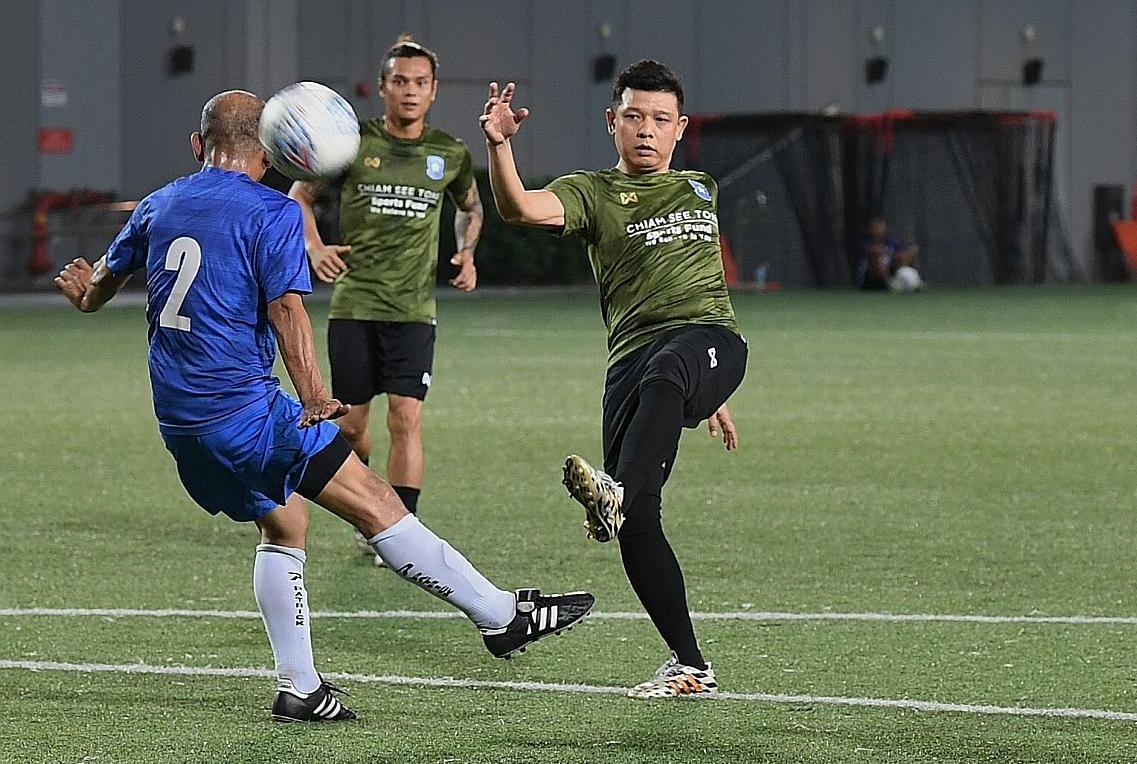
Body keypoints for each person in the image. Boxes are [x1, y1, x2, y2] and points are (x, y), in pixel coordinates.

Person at [55, 90, 592, 723]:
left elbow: (94, 294)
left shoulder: (158, 204)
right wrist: (314, 394)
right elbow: (287, 311)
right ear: (276, 151)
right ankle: (500, 617)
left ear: (198, 147)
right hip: (247, 416)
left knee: (285, 526)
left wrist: (82, 288)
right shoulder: (271, 211)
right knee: (378, 504)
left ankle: (300, 687)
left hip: (180, 421)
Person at [480, 60, 747, 699]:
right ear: (612, 122)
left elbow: (708, 293)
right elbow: (519, 208)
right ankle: (690, 665)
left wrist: (710, 388)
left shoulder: (700, 187)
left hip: (703, 346)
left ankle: (613, 492)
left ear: (680, 128)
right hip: (635, 370)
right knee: (638, 518)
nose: (647, 130)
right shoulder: (593, 192)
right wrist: (500, 146)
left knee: (667, 369)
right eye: (634, 117)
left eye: (660, 119)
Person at [288, 35, 481, 553]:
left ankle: (399, 533)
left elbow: (471, 207)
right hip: (355, 305)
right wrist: (314, 247)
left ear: (434, 90)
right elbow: (299, 198)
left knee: (406, 415)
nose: (410, 91)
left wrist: (467, 250)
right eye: (400, 82)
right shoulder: (352, 144)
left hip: (414, 310)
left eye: (420, 83)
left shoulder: (450, 152)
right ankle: (369, 500)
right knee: (351, 428)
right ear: (382, 88)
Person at [856, 216, 922, 291]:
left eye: (881, 227)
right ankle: (891, 285)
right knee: (878, 262)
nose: (879, 230)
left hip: (890, 268)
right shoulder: (866, 241)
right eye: (876, 227)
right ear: (871, 229)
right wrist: (888, 252)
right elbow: (873, 252)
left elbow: (904, 250)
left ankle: (916, 282)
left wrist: (903, 254)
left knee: (905, 256)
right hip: (871, 274)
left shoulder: (889, 241)